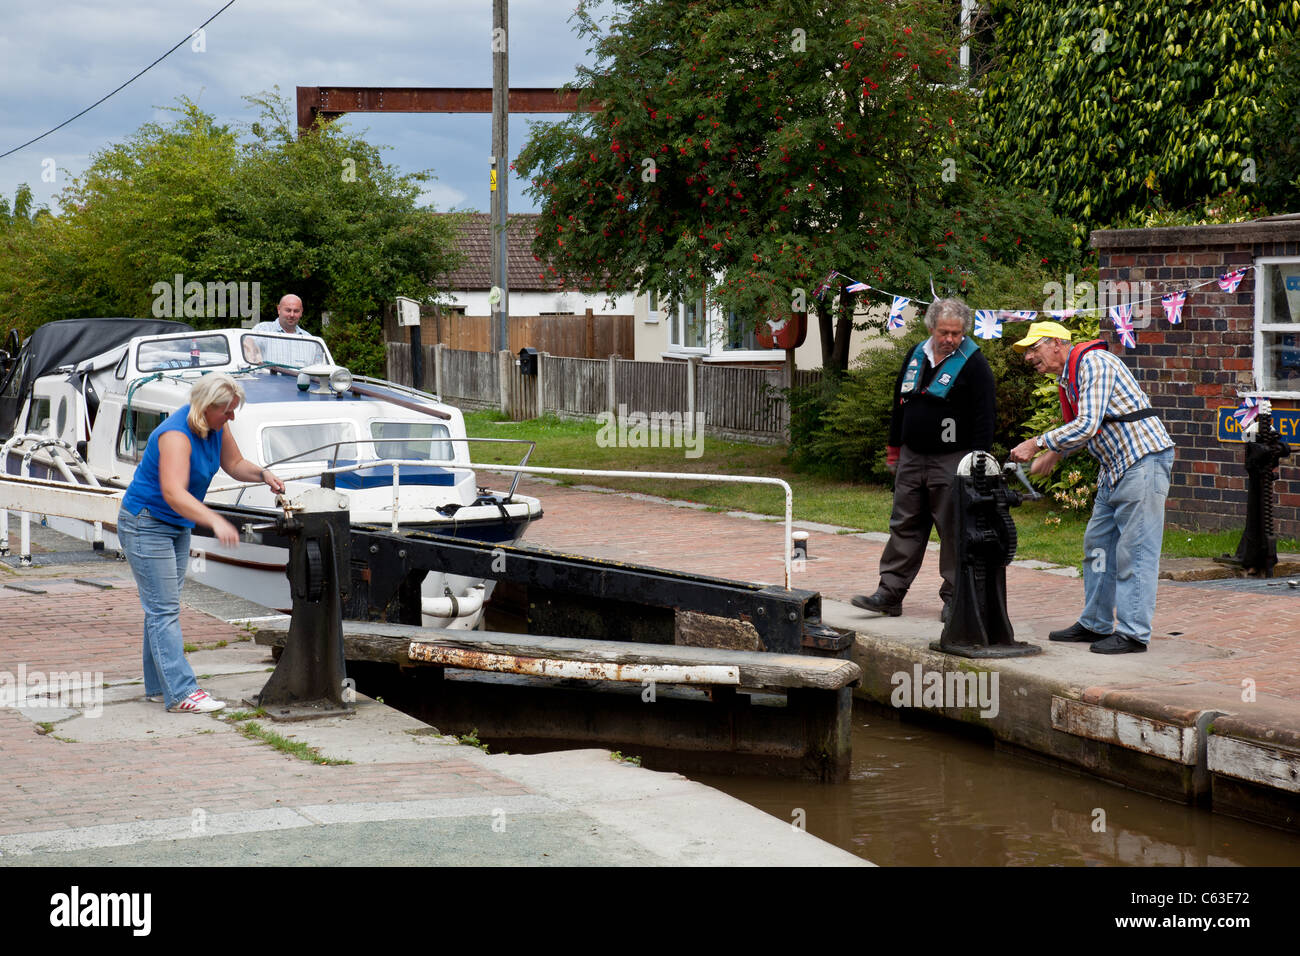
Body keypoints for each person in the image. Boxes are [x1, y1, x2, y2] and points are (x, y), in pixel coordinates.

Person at [117, 374, 286, 712]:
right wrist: (214, 520)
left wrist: (263, 474)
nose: (232, 417)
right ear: (207, 408)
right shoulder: (175, 436)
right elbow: (173, 492)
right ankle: (181, 693)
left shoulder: (217, 426)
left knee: (161, 607)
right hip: (146, 522)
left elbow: (234, 464)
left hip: (175, 524)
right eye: (227, 411)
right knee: (163, 609)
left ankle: (157, 687)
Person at [1008, 321, 1175, 655]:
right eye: (1027, 352)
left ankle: (1133, 633)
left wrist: (1039, 443)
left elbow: (1088, 424)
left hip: (1142, 460)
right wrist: (1056, 452)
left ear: (1056, 343)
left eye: (1034, 348)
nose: (1029, 358)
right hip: (1115, 467)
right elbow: (1086, 426)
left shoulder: (1094, 363)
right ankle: (1095, 622)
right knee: (1097, 545)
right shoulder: (1069, 377)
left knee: (1135, 552)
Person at [852, 298, 995, 620]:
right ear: (931, 328)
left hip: (952, 459)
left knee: (954, 530)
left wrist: (978, 462)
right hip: (913, 457)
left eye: (956, 334)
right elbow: (898, 404)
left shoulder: (974, 363)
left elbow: (986, 416)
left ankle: (956, 599)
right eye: (944, 332)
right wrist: (894, 450)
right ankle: (889, 593)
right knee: (904, 525)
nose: (950, 339)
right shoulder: (916, 354)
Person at [246, 294, 310, 365]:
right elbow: (247, 348)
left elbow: (318, 369)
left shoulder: (310, 340)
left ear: (301, 312)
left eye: (296, 311)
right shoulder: (262, 330)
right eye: (288, 310)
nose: (292, 315)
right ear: (279, 309)